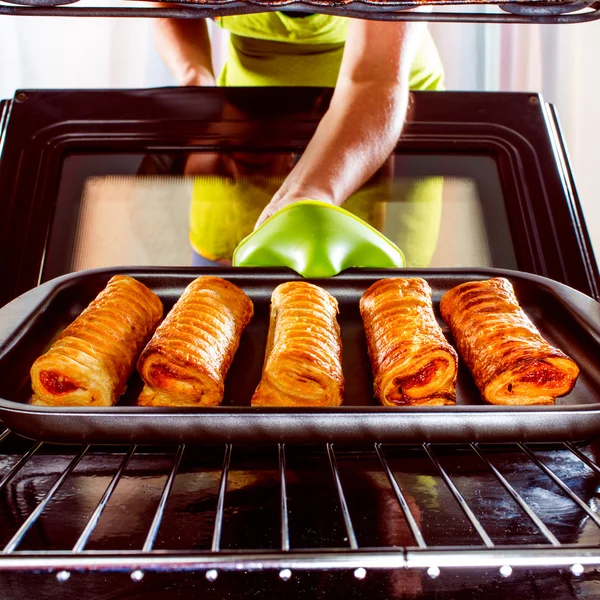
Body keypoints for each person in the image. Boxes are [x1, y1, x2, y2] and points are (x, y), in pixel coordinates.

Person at [152, 12, 445, 266]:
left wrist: (308, 196)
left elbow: (371, 79)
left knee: (384, 302)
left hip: (378, 110)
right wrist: (197, 84)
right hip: (247, 116)